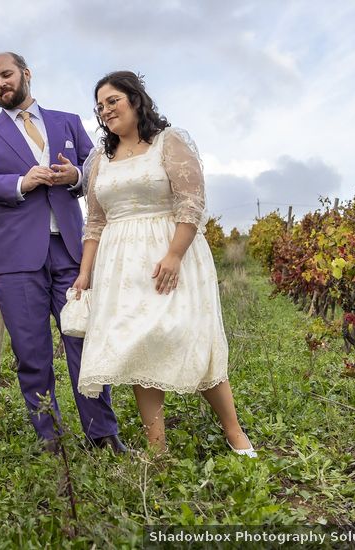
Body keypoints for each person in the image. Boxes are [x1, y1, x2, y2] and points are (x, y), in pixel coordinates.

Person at [72, 71, 256, 457]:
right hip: (120, 264)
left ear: (136, 100)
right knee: (140, 344)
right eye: (100, 105)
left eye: (113, 101)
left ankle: (234, 431)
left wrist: (174, 254)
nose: (106, 110)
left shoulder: (168, 143)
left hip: (167, 253)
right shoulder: (100, 159)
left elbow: (191, 202)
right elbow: (95, 222)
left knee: (190, 335)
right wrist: (85, 273)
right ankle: (158, 449)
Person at [0, 52, 123, 453]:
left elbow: (101, 169)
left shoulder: (68, 122)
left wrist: (77, 177)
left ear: (26, 74)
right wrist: (20, 181)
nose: (0, 84)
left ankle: (102, 433)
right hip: (15, 258)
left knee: (84, 340)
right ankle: (50, 437)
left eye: (6, 75)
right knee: (31, 351)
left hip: (71, 251)